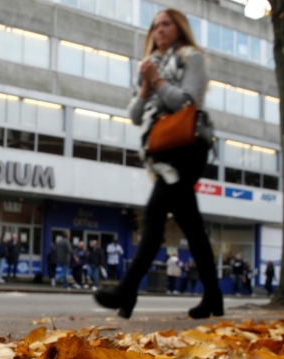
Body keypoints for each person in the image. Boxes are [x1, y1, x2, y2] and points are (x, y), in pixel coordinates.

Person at [95, 9, 223, 319]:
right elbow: (136, 115)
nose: (159, 30)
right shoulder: (149, 65)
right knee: (191, 224)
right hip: (162, 151)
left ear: (179, 28)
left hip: (188, 147)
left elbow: (187, 103)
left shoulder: (191, 58)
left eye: (166, 24)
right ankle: (214, 297)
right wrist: (145, 86)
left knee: (154, 214)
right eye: (155, 26)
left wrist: (157, 80)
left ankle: (126, 291)